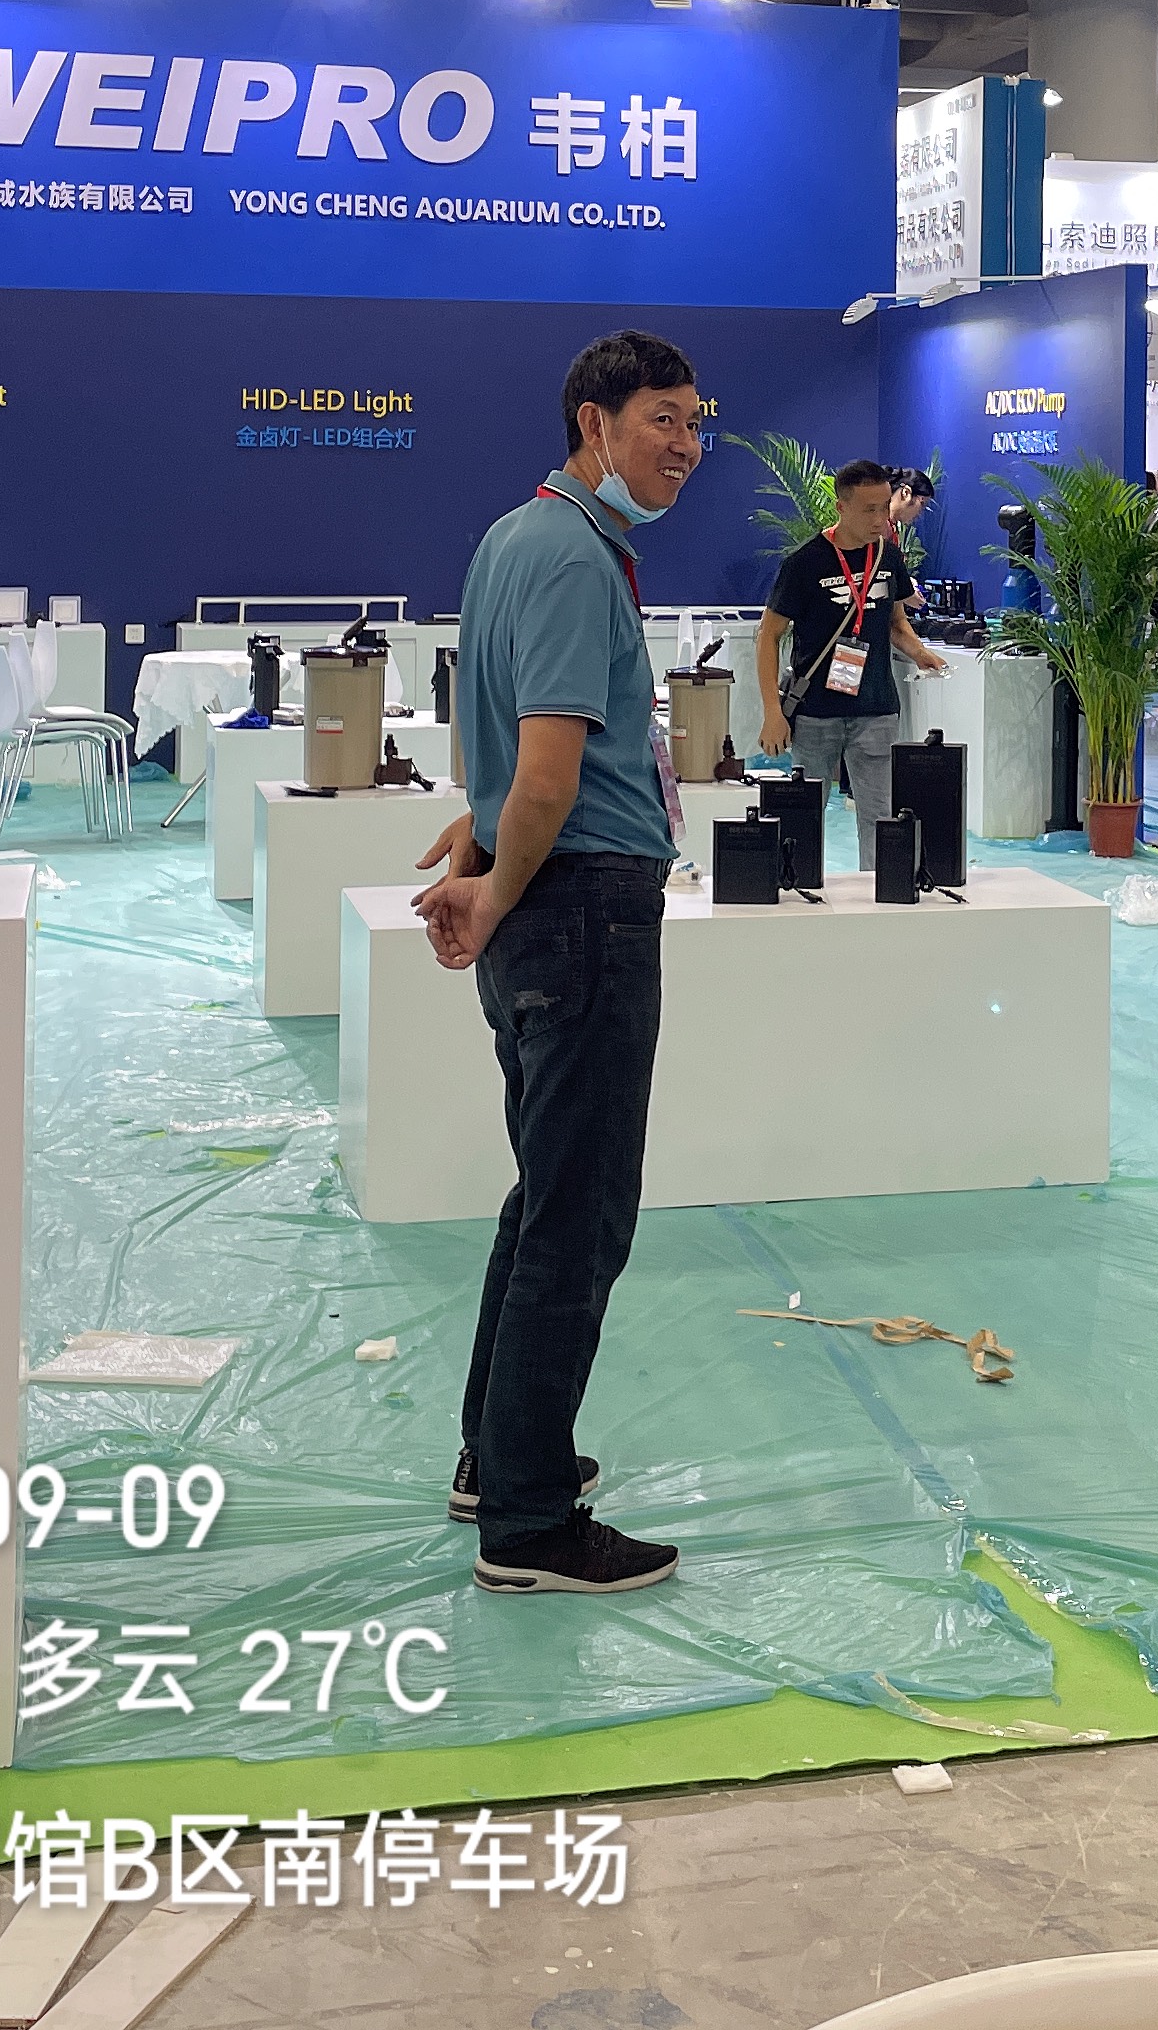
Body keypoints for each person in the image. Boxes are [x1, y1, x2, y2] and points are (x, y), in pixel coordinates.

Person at [413, 329, 706, 1598]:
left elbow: (497, 754)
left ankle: (501, 1459)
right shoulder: (575, 557)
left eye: (695, 421)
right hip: (585, 909)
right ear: (595, 423)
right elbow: (545, 768)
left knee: (545, 1195)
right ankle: (528, 1525)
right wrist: (498, 881)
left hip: (554, 900)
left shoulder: (516, 539)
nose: (686, 445)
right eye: (661, 420)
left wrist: (484, 851)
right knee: (578, 1216)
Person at [754, 458, 945, 828]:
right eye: (869, 510)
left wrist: (920, 652)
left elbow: (896, 623)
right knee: (804, 823)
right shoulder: (804, 563)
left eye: (884, 507)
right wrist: (772, 712)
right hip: (815, 711)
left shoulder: (888, 556)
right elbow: (768, 636)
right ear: (841, 507)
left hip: (876, 709)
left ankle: (875, 870)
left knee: (879, 819)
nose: (880, 519)